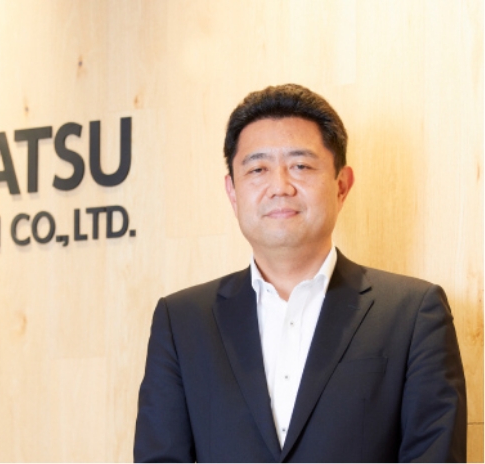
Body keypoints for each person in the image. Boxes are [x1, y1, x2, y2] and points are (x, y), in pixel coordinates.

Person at [134, 84, 467, 462]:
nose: (280, 187)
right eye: (258, 169)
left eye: (301, 166)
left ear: (341, 185)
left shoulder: (413, 313)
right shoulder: (182, 322)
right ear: (233, 192)